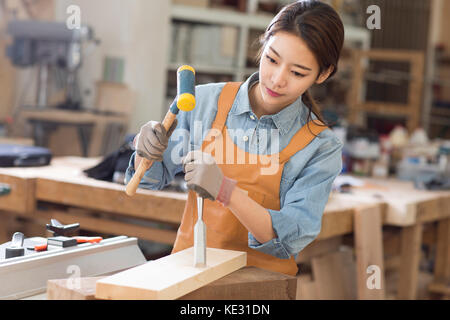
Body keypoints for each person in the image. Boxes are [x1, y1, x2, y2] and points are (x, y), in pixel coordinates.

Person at [125, 0, 345, 276]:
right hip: (187, 278)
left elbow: (288, 240)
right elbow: (147, 180)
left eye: (297, 72)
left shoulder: (320, 147)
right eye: (272, 59)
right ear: (262, 46)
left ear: (323, 74)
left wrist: (225, 191)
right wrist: (147, 151)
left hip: (259, 287)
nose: (277, 79)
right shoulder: (203, 102)